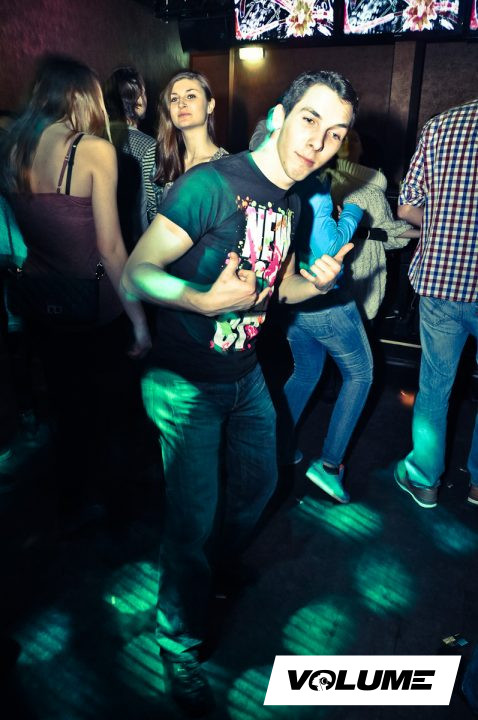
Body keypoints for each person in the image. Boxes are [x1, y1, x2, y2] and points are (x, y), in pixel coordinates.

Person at [123, 69, 358, 715]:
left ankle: (208, 569)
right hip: (186, 383)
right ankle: (178, 641)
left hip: (246, 374)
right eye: (310, 120)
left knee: (260, 484)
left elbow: (278, 290)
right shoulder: (210, 185)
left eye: (336, 133)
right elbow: (138, 270)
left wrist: (316, 283)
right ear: (280, 117)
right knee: (192, 520)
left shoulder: (291, 203)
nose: (319, 142)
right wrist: (202, 299)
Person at [0, 55, 150, 520]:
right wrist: (139, 320)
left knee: (66, 409)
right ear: (83, 97)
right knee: (114, 414)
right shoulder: (93, 150)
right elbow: (111, 247)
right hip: (95, 308)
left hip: (44, 303)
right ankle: (118, 510)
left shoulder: (13, 149)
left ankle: (71, 502)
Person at [394, 98, 478, 509]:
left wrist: (449, 224)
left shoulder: (442, 125)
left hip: (442, 280)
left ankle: (425, 480)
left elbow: (407, 206)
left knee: (434, 387)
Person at [277, 169, 372, 504]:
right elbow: (331, 246)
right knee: (360, 375)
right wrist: (352, 213)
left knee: (305, 372)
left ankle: (278, 446)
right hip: (326, 303)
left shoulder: (282, 182)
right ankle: (330, 467)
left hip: (291, 300)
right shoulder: (314, 187)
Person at [326, 128, 419, 322]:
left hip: (364, 262)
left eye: (354, 139)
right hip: (333, 261)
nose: (348, 143)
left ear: (363, 149)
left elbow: (387, 230)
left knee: (359, 322)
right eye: (342, 138)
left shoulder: (373, 186)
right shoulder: (322, 177)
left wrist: (424, 232)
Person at [149, 69, 227, 219]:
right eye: (174, 99)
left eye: (190, 96)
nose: (181, 103)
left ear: (210, 105)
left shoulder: (227, 167)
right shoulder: (163, 164)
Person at [103, 66, 156, 251]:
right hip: (136, 242)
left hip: (100, 239)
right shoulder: (149, 146)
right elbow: (152, 206)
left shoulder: (93, 137)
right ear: (137, 100)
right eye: (144, 93)